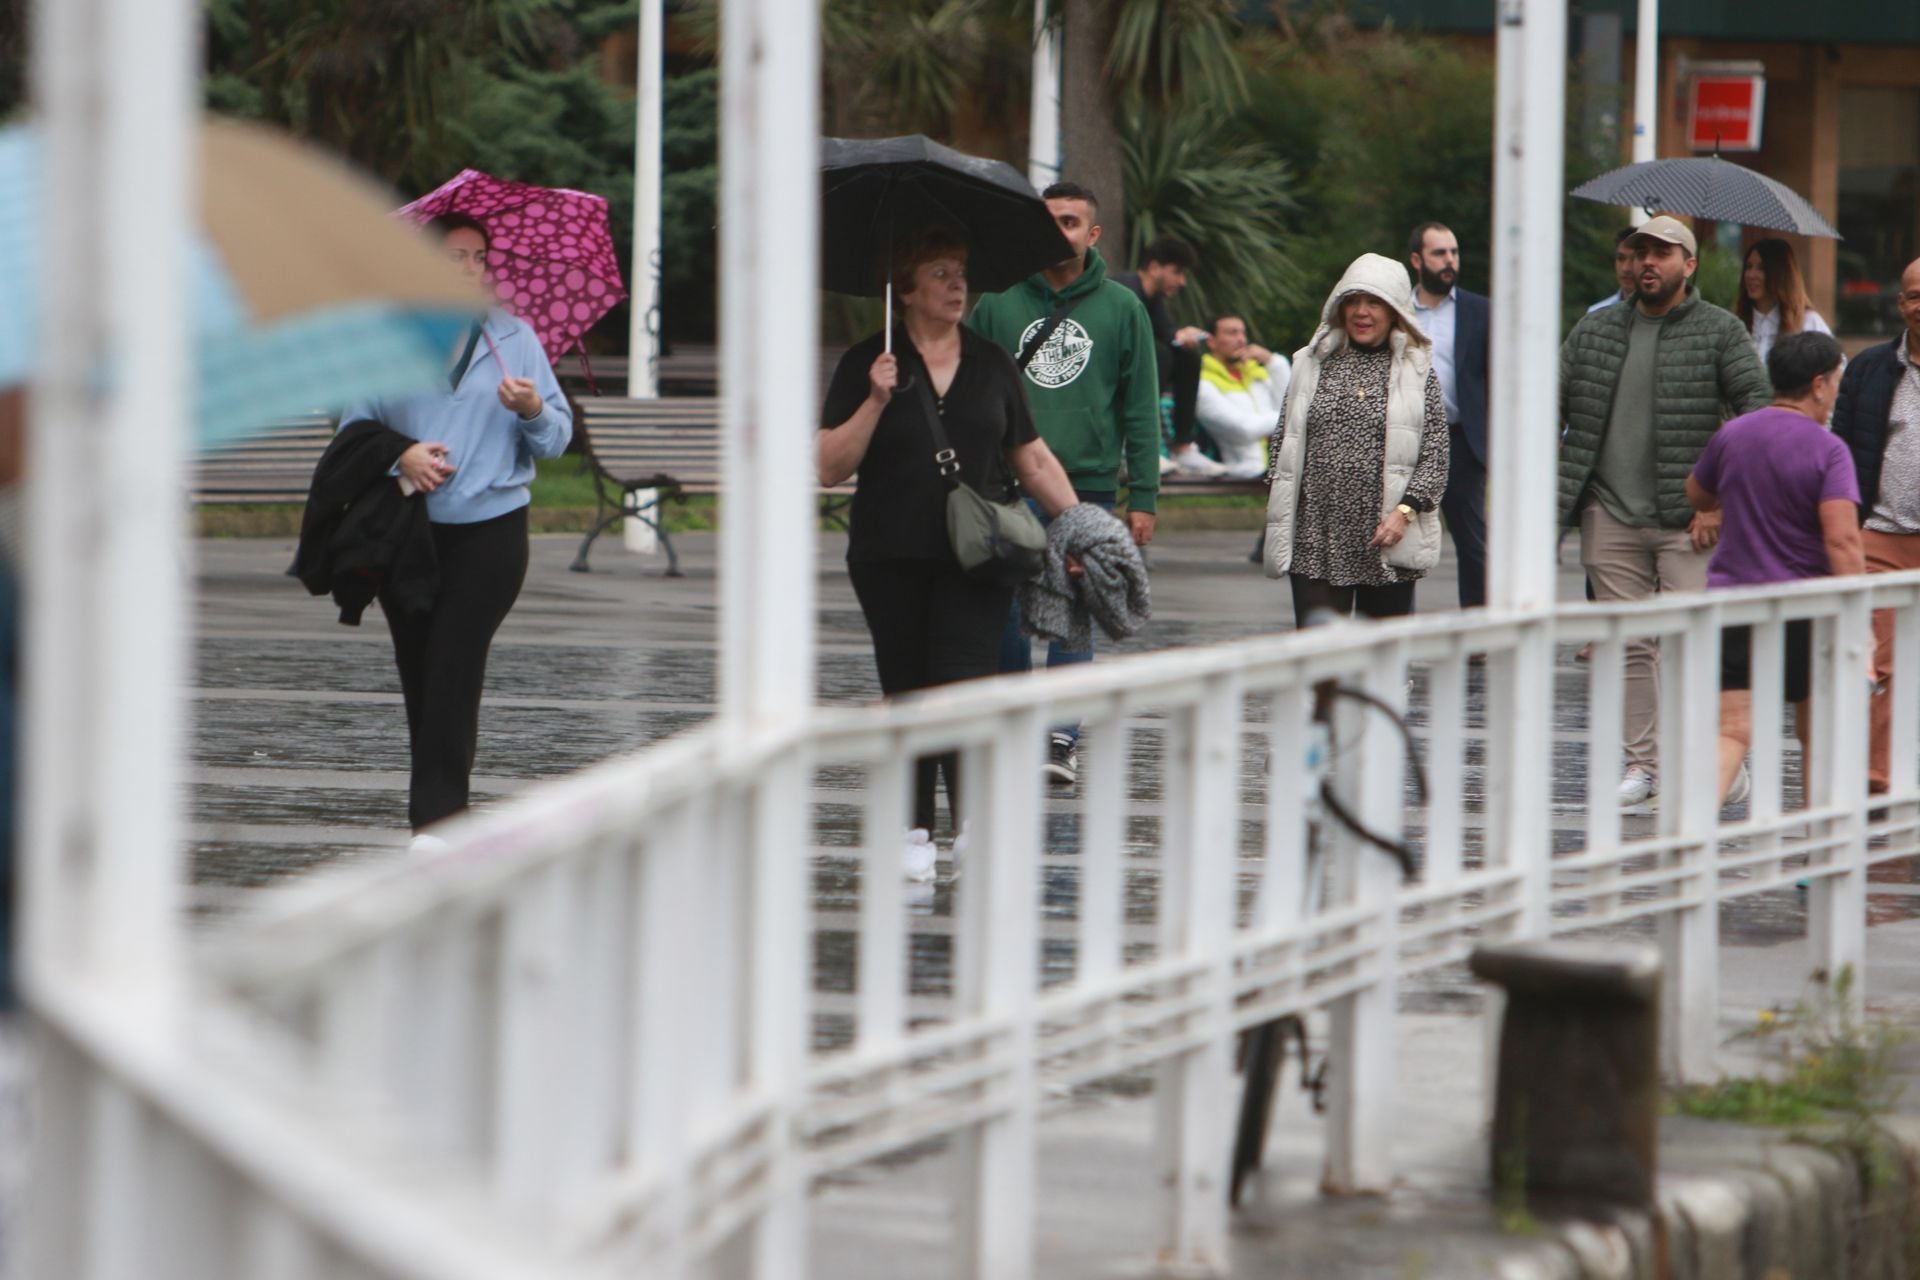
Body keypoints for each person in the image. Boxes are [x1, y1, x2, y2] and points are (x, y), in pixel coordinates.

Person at [818, 226, 1082, 880]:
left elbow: (1032, 454)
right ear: (904, 290)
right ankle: (912, 831)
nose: (957, 285)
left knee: (963, 684)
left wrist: (1078, 526)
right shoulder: (866, 362)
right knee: (908, 688)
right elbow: (829, 465)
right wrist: (876, 401)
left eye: (961, 272)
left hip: (979, 555)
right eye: (940, 273)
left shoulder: (991, 362)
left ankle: (969, 825)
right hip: (889, 555)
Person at [337, 212, 573, 843]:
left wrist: (531, 410)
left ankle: (436, 828)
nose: (470, 269)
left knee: (451, 668)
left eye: (478, 258)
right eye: (454, 258)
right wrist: (400, 454)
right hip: (407, 535)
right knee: (421, 672)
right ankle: (442, 816)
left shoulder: (512, 338)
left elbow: (557, 439)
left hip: (490, 535)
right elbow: (352, 435)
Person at [1558, 214, 1771, 809]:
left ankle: (1717, 753)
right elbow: (1547, 399)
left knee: (1689, 644)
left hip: (1691, 521)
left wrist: (1721, 501)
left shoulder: (1720, 332)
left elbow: (1757, 415)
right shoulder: (1595, 331)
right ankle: (1643, 765)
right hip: (1611, 513)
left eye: (1662, 253)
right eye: (1639, 251)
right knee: (1627, 642)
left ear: (1689, 264)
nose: (1648, 262)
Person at [971, 181, 1160, 786]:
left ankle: (1060, 736)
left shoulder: (1122, 308)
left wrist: (1146, 497)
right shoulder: (997, 303)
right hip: (1003, 485)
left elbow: (1140, 407)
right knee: (1001, 610)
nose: (1061, 233)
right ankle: (1010, 720)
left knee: (1075, 608)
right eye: (1050, 222)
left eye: (1072, 222)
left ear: (1093, 234)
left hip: (1091, 486)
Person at [1686, 332, 1861, 806]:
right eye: (1837, 383)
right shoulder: (1828, 450)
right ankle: (1815, 858)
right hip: (1805, 607)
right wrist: (1857, 617)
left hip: (1735, 602)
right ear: (1819, 384)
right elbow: (1842, 538)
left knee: (1733, 730)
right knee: (1816, 734)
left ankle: (1688, 838)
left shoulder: (1734, 433)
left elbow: (1697, 494)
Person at [1262, 252, 1449, 626]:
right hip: (1316, 538)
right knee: (1319, 662)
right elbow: (1284, 440)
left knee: (1379, 665)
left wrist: (1404, 512)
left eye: (1374, 302)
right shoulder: (1310, 363)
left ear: (1394, 309)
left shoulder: (1416, 373)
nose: (1362, 312)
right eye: (1354, 301)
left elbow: (1436, 456)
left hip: (1386, 539)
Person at [1830, 255, 1920, 797]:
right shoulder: (1868, 368)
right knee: (1879, 667)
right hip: (1882, 536)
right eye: (1913, 295)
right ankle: (1876, 781)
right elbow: (1841, 451)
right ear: (1900, 303)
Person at [1407, 222, 1491, 610]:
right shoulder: (1396, 311)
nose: (1450, 261)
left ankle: (1477, 628)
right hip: (1404, 438)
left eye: (1454, 252)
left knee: (1473, 541)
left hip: (1460, 439)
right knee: (1397, 536)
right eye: (1439, 253)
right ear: (1416, 260)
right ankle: (1392, 628)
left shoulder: (1480, 310)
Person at [1113, 235, 1217, 477]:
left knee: (1187, 355)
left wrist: (1182, 336)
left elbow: (1168, 333)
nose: (1182, 282)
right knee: (1159, 354)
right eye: (1177, 272)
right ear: (1154, 267)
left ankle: (1183, 447)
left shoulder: (1153, 298)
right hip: (1105, 373)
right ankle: (1135, 447)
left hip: (1129, 371)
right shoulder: (1124, 290)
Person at [1194, 312, 1290, 481]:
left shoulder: (1255, 372)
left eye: (1242, 333)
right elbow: (1245, 429)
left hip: (1282, 465)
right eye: (1232, 333)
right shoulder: (1203, 384)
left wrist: (1273, 362)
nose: (1242, 340)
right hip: (1246, 469)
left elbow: (1290, 402)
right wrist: (1289, 420)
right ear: (1211, 341)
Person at [1737, 237, 1832, 365]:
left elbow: (1835, 367)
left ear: (1780, 274)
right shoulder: (1736, 323)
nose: (1751, 275)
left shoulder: (1808, 322)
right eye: (1748, 267)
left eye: (1762, 268)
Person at [1588, 226, 1637, 313]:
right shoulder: (1596, 313)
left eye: (1634, 259)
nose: (1625, 268)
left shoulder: (1663, 314)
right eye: (1620, 258)